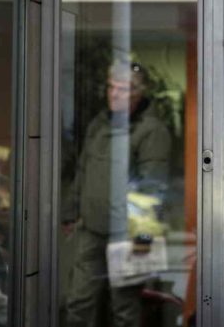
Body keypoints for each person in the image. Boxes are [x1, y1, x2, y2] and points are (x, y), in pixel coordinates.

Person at [62, 59, 172, 327]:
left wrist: (143, 239)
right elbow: (83, 171)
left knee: (124, 308)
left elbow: (152, 188)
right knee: (78, 302)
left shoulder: (151, 131)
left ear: (138, 93)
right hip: (92, 230)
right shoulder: (99, 124)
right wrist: (70, 212)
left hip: (127, 233)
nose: (113, 94)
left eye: (121, 89)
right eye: (111, 87)